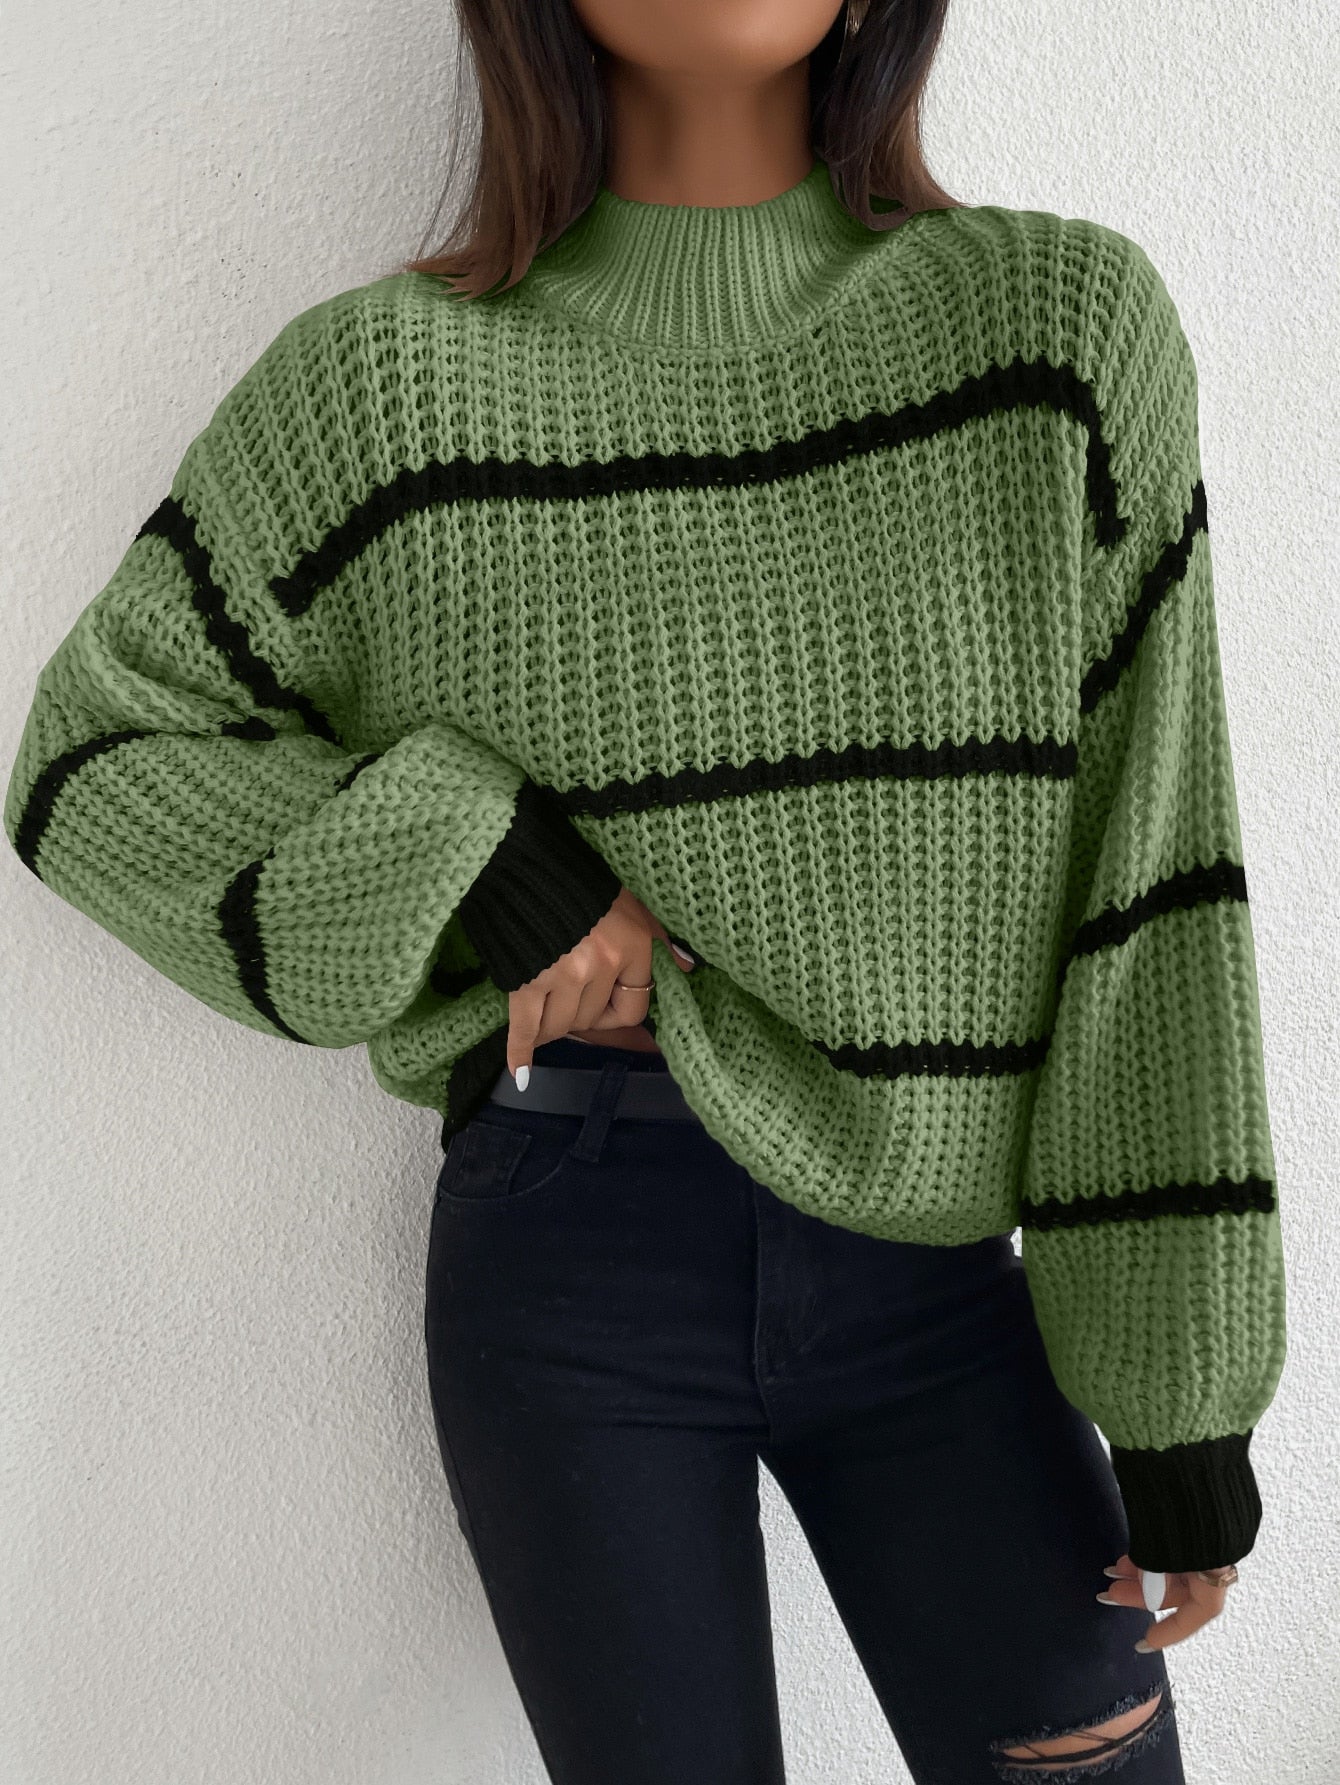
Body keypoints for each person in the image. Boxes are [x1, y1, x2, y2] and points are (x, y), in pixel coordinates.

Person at [4, 1, 1288, 1779]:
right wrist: (484, 853)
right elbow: (90, 757)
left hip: (938, 1277)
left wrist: (1180, 1392)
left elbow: (1154, 890)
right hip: (572, 1246)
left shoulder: (1055, 338)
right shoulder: (382, 391)